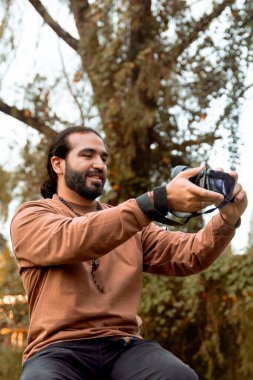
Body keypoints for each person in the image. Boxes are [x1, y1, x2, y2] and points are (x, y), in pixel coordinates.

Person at [10, 126, 247, 380]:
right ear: (58, 163)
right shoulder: (31, 217)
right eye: (87, 155)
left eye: (103, 158)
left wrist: (227, 219)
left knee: (179, 376)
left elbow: (189, 254)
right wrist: (156, 201)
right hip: (56, 351)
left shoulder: (133, 225)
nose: (99, 164)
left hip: (124, 347)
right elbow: (74, 237)